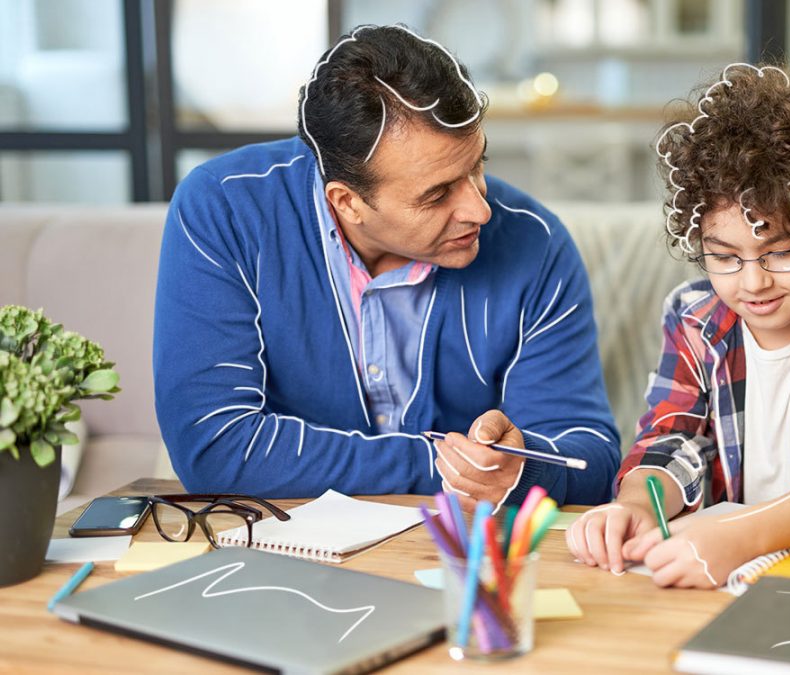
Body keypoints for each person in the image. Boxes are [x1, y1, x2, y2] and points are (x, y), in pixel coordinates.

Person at [153, 24, 620, 509]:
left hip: (457, 556)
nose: (480, 210)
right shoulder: (226, 209)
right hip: (285, 550)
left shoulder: (535, 242)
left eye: (477, 166)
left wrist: (521, 467)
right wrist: (445, 465)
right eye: (438, 194)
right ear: (348, 202)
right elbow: (215, 448)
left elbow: (590, 460)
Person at [566, 63, 790, 586]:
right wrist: (640, 506)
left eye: (780, 252)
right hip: (732, 565)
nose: (753, 282)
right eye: (725, 256)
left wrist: (740, 533)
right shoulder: (693, 316)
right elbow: (671, 439)